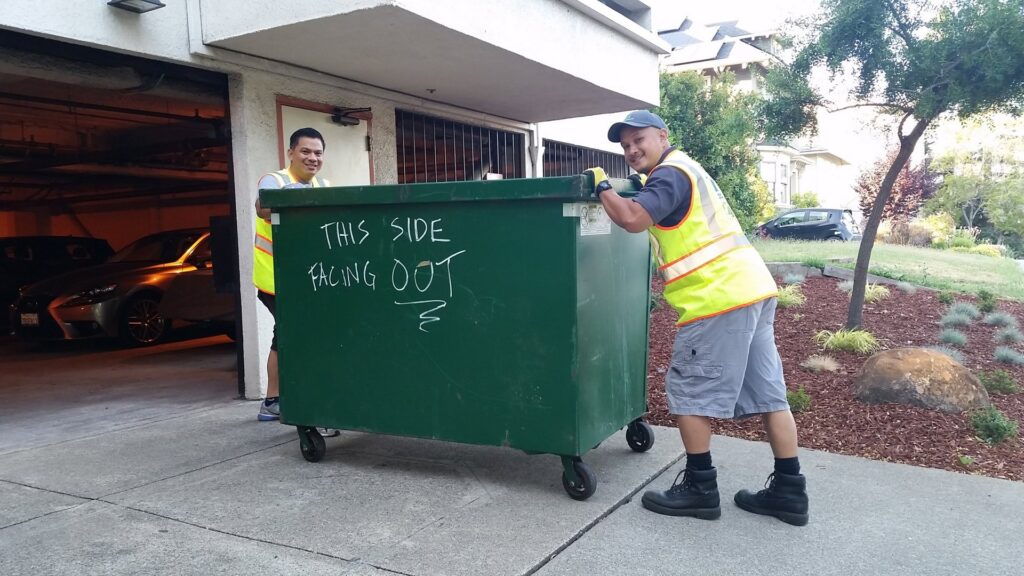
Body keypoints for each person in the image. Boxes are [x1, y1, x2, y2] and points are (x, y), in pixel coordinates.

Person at [585, 111, 809, 526]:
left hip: (717, 299)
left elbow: (633, 219)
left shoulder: (668, 176)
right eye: (625, 146)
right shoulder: (686, 169)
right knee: (769, 395)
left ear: (662, 136)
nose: (632, 149)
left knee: (688, 390)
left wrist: (601, 185)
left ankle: (700, 489)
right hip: (752, 290)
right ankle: (789, 491)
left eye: (639, 140)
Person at [253, 127, 337, 437]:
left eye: (317, 153)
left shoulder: (324, 185)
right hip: (276, 279)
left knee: (289, 335)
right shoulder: (274, 181)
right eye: (305, 151)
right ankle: (280, 400)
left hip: (309, 280)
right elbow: (263, 207)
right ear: (290, 152)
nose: (312, 158)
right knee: (291, 335)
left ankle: (275, 400)